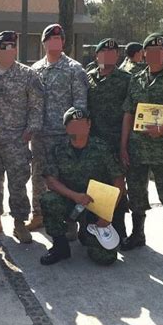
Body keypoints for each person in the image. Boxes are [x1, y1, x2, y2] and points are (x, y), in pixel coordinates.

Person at [120, 33, 163, 265]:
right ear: (144, 53)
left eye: (159, 50)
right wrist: (123, 146)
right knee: (137, 192)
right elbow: (128, 113)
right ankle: (138, 234)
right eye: (150, 50)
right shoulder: (137, 79)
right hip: (138, 148)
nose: (154, 54)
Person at [40, 107, 125, 266]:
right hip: (69, 200)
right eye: (73, 125)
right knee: (48, 200)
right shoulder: (58, 148)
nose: (78, 128)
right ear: (66, 128)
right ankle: (60, 247)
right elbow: (50, 180)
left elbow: (119, 181)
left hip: (95, 207)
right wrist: (75, 196)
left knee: (106, 258)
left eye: (82, 124)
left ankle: (86, 233)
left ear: (89, 124)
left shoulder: (102, 148)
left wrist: (107, 214)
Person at [0, 31, 44, 244]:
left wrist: (30, 131)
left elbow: (37, 107)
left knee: (18, 183)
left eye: (12, 46)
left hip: (17, 140)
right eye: (4, 46)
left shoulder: (28, 75)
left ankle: (19, 223)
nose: (9, 50)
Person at [29, 24, 88, 233]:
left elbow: (80, 105)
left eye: (58, 38)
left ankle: (68, 220)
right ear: (44, 42)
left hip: (64, 135)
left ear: (63, 42)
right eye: (50, 39)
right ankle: (38, 214)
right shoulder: (35, 70)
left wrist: (76, 133)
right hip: (40, 135)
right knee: (38, 174)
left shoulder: (74, 69)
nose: (54, 42)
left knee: (65, 177)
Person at [87, 38, 130, 247]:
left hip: (115, 141)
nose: (109, 55)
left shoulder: (126, 79)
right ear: (97, 56)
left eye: (113, 52)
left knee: (117, 186)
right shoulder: (89, 78)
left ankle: (119, 228)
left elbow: (128, 114)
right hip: (93, 142)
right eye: (104, 52)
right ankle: (95, 225)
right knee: (96, 186)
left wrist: (123, 145)